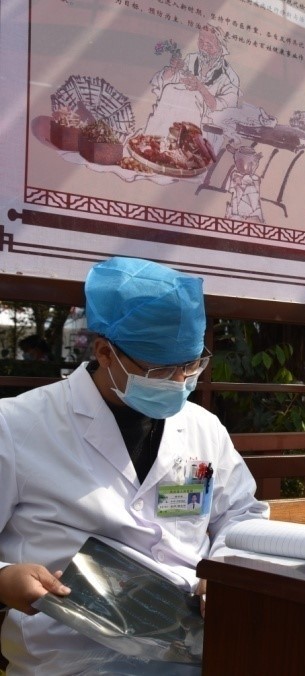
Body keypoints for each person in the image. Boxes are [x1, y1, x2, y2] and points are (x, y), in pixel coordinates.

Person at [0, 257, 268, 675]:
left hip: (193, 646)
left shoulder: (204, 428)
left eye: (191, 365)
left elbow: (240, 515)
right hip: (70, 655)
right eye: (161, 370)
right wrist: (4, 579)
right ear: (105, 352)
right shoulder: (17, 425)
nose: (180, 382)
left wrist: (225, 571)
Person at [144, 25, 241, 137]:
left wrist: (201, 88)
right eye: (201, 42)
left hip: (204, 129)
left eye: (209, 45)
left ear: (221, 47)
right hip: (171, 118)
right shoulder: (191, 58)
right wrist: (173, 69)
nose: (203, 48)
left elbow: (225, 110)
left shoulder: (229, 77)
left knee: (193, 97)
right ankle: (152, 138)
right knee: (170, 89)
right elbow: (163, 83)